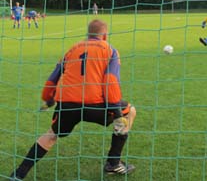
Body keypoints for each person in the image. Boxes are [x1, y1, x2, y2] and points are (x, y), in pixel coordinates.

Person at [10, 19, 136, 180]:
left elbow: (53, 78)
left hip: (67, 105)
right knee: (130, 111)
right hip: (95, 106)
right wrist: (117, 113)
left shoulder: (72, 49)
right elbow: (110, 81)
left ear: (88, 34)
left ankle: (19, 174)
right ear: (104, 36)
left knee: (51, 135)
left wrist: (48, 99)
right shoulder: (110, 50)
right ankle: (113, 163)